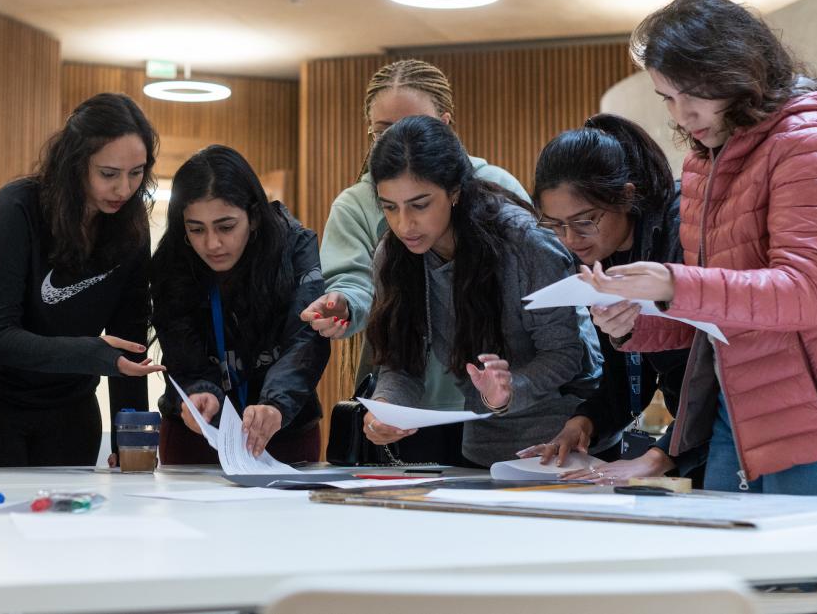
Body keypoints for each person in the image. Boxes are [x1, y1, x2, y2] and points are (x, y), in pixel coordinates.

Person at [584, 0, 817, 497]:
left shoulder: (813, 141)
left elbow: (804, 293)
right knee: (744, 573)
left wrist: (672, 283)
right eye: (668, 98)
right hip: (740, 415)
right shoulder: (707, 162)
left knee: (813, 578)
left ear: (736, 70)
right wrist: (639, 318)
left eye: (693, 93)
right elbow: (722, 316)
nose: (681, 115)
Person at [300, 59, 529, 463]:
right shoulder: (356, 204)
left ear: (446, 123)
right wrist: (343, 305)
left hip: (497, 401)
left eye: (415, 127)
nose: (406, 223)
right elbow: (357, 283)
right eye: (384, 131)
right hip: (405, 399)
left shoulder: (495, 188)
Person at [363, 116, 601, 468]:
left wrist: (507, 390)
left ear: (455, 191)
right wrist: (384, 409)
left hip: (561, 443)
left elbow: (565, 354)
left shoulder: (526, 244)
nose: (404, 224)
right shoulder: (394, 255)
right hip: (480, 445)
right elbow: (401, 362)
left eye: (420, 204)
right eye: (389, 207)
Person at [0, 93, 165, 467]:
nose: (124, 189)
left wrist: (131, 440)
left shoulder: (131, 228)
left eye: (136, 173)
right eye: (109, 174)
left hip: (70, 406)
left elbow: (130, 344)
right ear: (75, 164)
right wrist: (93, 352)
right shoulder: (15, 209)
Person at [516, 114, 706, 484]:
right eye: (555, 225)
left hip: (729, 427)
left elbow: (710, 368)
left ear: (626, 195)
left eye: (585, 220)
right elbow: (623, 371)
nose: (570, 238)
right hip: (692, 435)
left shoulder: (684, 231)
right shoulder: (600, 257)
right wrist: (585, 422)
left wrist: (661, 455)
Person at [152, 146, 331, 463]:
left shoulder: (294, 246)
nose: (212, 244)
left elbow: (306, 337)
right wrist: (200, 390)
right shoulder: (172, 261)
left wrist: (275, 404)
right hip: (196, 431)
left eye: (226, 226)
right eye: (196, 229)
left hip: (281, 430)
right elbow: (179, 342)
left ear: (254, 217)